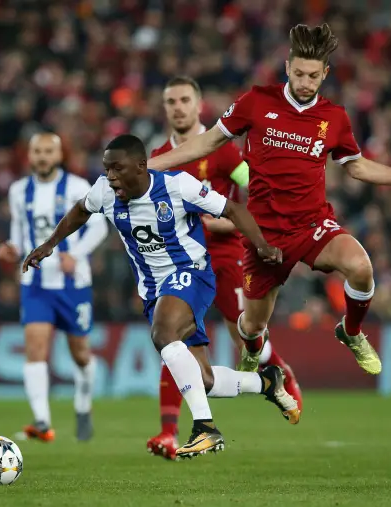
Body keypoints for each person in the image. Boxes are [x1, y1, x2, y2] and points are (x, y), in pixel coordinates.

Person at [147, 23, 391, 376]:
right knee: (251, 326)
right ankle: (251, 346)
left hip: (312, 225)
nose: (305, 82)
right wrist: (149, 166)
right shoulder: (256, 102)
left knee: (361, 267)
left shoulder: (333, 117)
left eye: (313, 75)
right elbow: (207, 141)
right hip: (263, 234)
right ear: (287, 68)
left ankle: (351, 331)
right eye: (299, 74)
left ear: (325, 74)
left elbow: (357, 168)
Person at [23, 134, 300, 460]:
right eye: (107, 169)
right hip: (154, 290)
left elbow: (234, 209)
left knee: (163, 333)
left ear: (141, 167)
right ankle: (267, 382)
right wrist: (50, 244)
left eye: (117, 169)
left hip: (192, 273)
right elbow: (80, 211)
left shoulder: (178, 186)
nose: (110, 177)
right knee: (204, 380)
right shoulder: (105, 191)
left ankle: (205, 428)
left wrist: (263, 246)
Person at [146, 76, 303, 460]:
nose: (178, 107)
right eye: (171, 101)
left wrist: (230, 224)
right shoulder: (161, 153)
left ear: (198, 104)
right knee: (173, 337)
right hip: (181, 258)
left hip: (225, 252)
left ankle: (278, 372)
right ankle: (168, 431)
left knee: (243, 331)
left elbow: (255, 189)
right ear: (165, 108)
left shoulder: (222, 152)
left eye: (185, 99)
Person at [0, 134, 108, 442]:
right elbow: (19, 233)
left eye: (48, 151)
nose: (43, 157)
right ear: (29, 156)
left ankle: (83, 405)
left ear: (59, 155)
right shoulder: (18, 191)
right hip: (35, 282)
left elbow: (99, 225)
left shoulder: (77, 187)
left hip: (73, 283)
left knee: (81, 354)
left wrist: (78, 253)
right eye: (37, 152)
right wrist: (11, 248)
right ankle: (42, 421)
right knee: (35, 348)